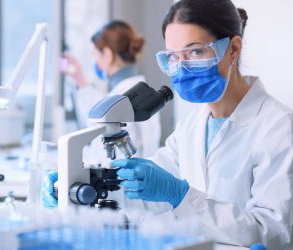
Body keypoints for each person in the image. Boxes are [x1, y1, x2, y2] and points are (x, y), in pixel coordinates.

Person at [43, 0, 293, 249]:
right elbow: (148, 197)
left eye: (195, 51)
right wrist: (85, 184)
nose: (182, 67)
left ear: (233, 49)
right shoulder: (192, 126)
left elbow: (271, 232)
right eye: (173, 56)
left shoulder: (278, 127)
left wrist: (180, 195)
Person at [61, 20, 161, 159]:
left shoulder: (124, 96)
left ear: (107, 55)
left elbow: (101, 150)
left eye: (95, 55)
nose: (94, 62)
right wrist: (80, 79)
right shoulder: (137, 90)